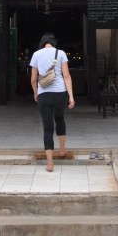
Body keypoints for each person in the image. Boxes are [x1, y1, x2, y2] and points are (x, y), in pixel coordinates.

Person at [30, 32, 75, 172]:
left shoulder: (36, 55)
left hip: (44, 94)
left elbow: (33, 79)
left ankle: (50, 164)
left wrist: (35, 93)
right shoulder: (60, 53)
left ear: (42, 43)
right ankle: (62, 151)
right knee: (60, 119)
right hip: (60, 94)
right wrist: (71, 96)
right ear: (53, 43)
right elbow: (66, 76)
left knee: (47, 128)